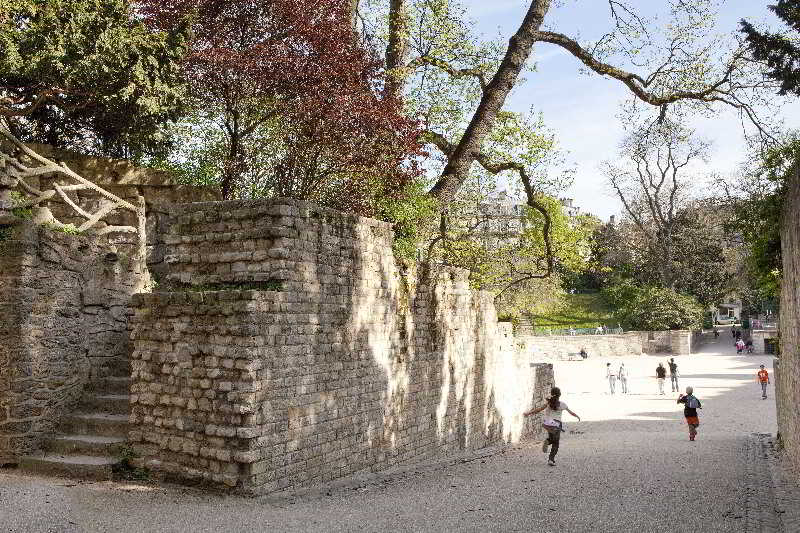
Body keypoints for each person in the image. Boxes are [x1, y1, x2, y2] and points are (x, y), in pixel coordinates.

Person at [523, 386, 581, 466]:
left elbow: (539, 409)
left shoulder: (549, 402)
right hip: (556, 424)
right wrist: (577, 416)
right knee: (556, 443)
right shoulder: (562, 404)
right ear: (559, 395)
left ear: (552, 394)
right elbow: (571, 413)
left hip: (548, 423)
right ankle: (551, 459)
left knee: (552, 438)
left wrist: (528, 413)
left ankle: (548, 441)